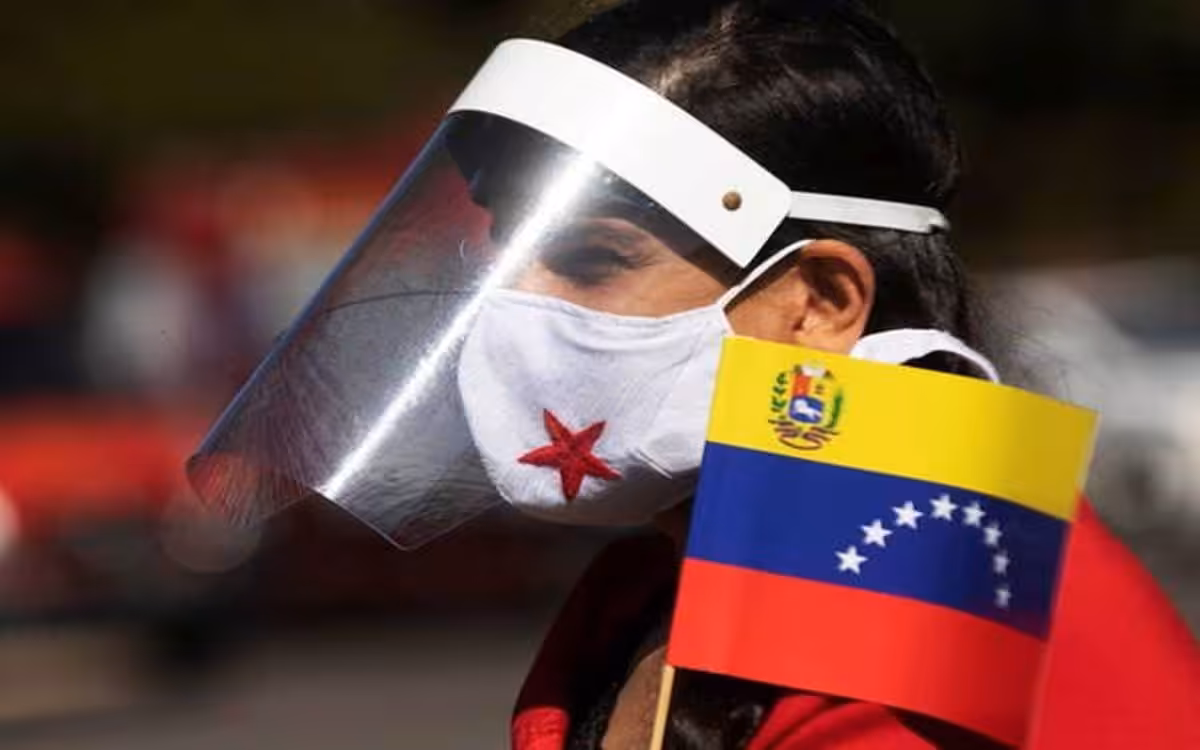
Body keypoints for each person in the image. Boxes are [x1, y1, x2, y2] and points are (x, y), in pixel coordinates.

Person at [188, 0, 1198, 747]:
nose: (504, 305)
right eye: (500, 254)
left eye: (591, 259)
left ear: (818, 305)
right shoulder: (654, 582)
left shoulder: (933, 586)